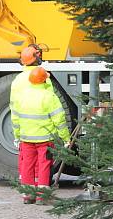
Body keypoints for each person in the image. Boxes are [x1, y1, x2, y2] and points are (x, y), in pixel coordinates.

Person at [10, 66, 71, 204]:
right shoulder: (50, 96)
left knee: (27, 165)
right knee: (44, 165)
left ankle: (28, 195)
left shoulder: (21, 96)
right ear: (44, 81)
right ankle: (42, 196)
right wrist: (66, 138)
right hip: (45, 139)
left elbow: (15, 118)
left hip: (26, 138)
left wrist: (17, 135)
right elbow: (59, 120)